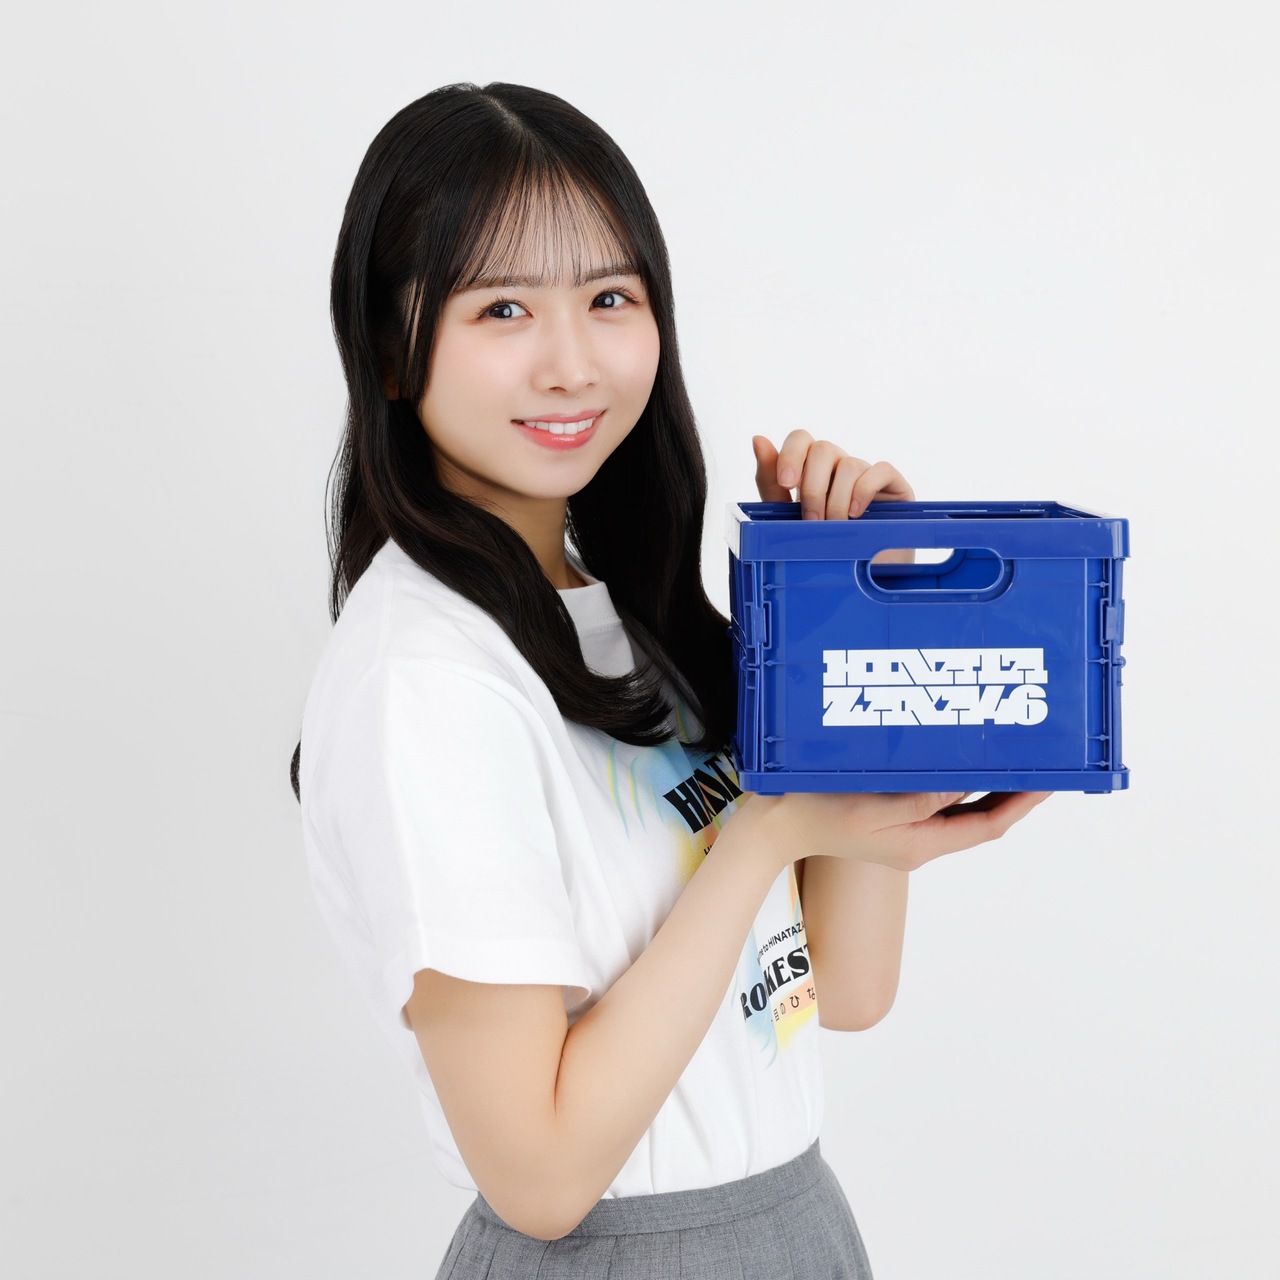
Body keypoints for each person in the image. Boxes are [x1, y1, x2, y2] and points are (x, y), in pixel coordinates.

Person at [293, 81, 1048, 1279]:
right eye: (501, 308)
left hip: (792, 1222)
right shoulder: (425, 681)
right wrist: (761, 834)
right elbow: (539, 1175)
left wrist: (847, 607)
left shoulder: (621, 614)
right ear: (391, 350)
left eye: (608, 297)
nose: (571, 364)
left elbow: (844, 985)